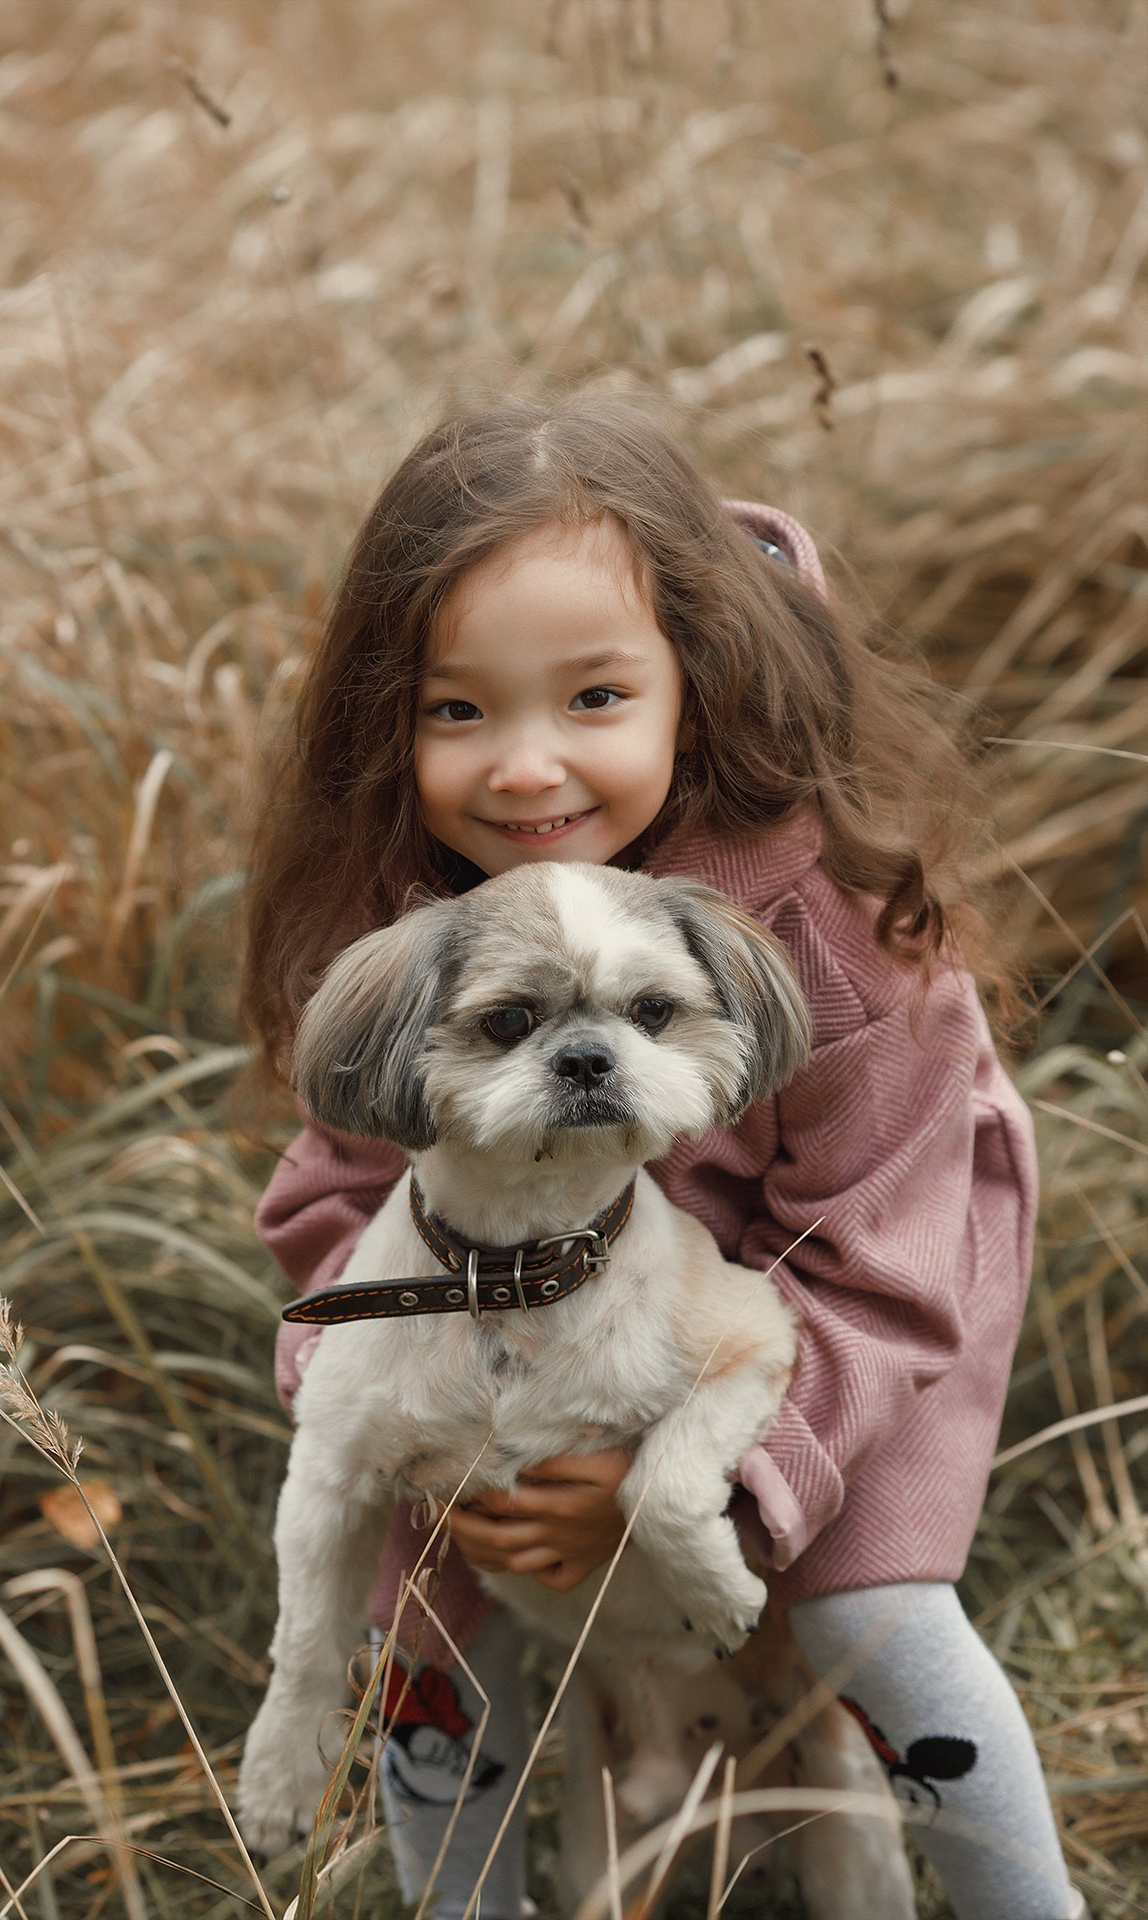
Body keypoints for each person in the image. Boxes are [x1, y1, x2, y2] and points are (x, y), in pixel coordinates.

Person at [241, 396, 1085, 1920]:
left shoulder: (823, 925)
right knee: (427, 1622)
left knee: (874, 1617)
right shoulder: (417, 905)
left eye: (593, 697)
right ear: (388, 720)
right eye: (457, 711)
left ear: (698, 679)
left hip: (853, 1307)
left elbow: (884, 1253)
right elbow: (344, 1193)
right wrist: (388, 1401)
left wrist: (707, 1485)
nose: (525, 769)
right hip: (495, 1321)